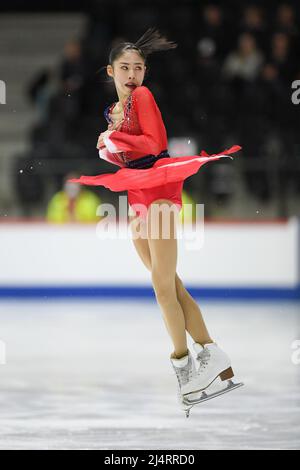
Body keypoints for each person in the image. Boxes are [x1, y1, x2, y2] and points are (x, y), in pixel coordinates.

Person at [68, 28, 241, 411]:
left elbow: (153, 143)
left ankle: (184, 365)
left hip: (159, 191)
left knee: (162, 287)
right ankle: (212, 355)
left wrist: (116, 142)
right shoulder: (113, 112)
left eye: (139, 68)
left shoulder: (143, 97)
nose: (133, 75)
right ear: (109, 71)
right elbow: (126, 153)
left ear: (145, 73)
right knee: (172, 286)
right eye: (125, 67)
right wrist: (109, 149)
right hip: (137, 197)